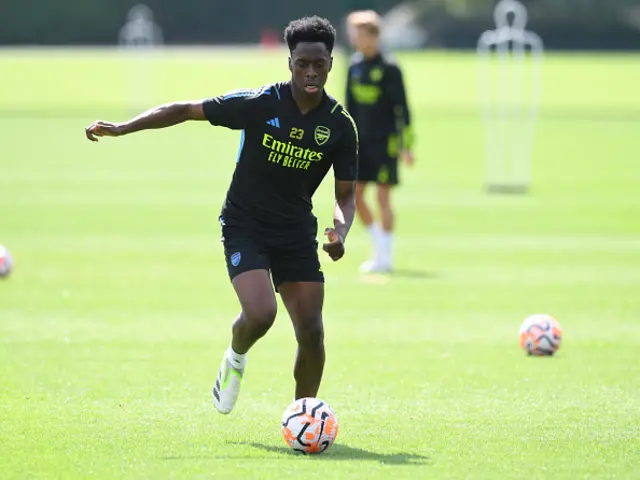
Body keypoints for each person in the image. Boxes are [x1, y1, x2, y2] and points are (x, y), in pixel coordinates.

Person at [85, 16, 358, 415]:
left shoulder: (339, 126)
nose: (311, 71)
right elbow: (184, 109)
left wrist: (341, 230)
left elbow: (346, 196)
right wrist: (124, 128)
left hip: (296, 232)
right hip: (245, 224)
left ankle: (304, 417)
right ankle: (235, 356)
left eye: (319, 63)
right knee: (261, 314)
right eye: (303, 63)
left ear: (331, 63)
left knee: (313, 333)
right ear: (290, 63)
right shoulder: (262, 103)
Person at [346, 10, 414, 274]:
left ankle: (386, 255)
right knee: (354, 195)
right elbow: (348, 108)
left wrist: (407, 146)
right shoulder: (354, 66)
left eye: (358, 34)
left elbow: (403, 109)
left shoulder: (390, 68)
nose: (354, 39)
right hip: (360, 145)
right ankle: (378, 245)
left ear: (372, 35)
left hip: (385, 143)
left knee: (383, 197)